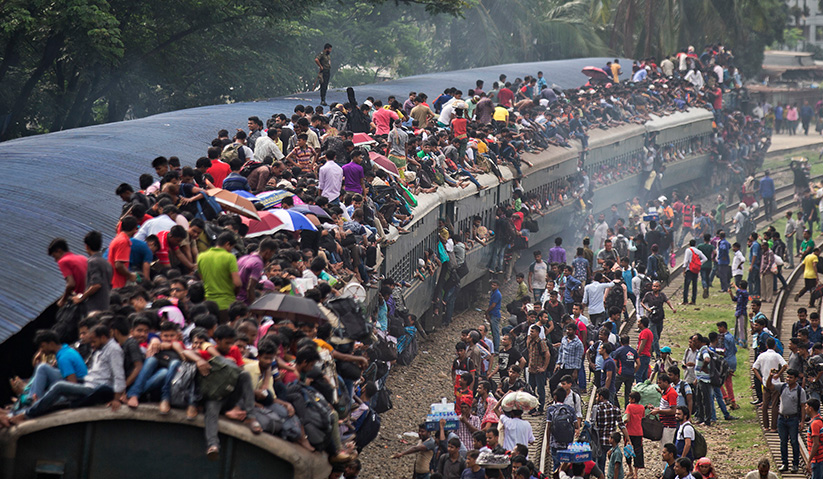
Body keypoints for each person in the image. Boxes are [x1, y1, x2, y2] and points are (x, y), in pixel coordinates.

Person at [766, 368, 806, 473]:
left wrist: (802, 421)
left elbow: (803, 407)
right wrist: (770, 376)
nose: (788, 379)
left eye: (791, 377)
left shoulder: (800, 391)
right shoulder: (783, 386)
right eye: (787, 377)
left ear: (796, 379)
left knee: (794, 442)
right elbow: (769, 386)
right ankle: (784, 463)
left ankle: (795, 464)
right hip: (782, 418)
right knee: (783, 442)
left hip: (793, 419)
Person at [197, 231, 242, 322]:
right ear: (227, 244)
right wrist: (234, 294)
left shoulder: (201, 256)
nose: (231, 250)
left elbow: (202, 278)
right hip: (226, 303)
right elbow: (237, 283)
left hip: (208, 303)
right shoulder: (229, 257)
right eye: (231, 248)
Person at [752, 337, 787, 432]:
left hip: (765, 383)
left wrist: (761, 378)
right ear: (775, 346)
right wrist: (778, 374)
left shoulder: (762, 356)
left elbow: (754, 368)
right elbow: (785, 365)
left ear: (766, 345)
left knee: (765, 404)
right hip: (775, 383)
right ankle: (773, 427)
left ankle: (766, 426)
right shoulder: (776, 355)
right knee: (775, 405)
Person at [74, 231, 112, 314]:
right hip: (105, 305)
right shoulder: (106, 262)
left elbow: (96, 284)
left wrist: (81, 297)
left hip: (95, 308)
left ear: (87, 246)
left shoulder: (92, 262)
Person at [591, 387, 628, 471]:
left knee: (601, 464)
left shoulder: (597, 408)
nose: (596, 398)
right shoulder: (615, 409)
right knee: (615, 463)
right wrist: (628, 439)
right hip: (612, 441)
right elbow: (622, 425)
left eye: (597, 397)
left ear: (601, 397)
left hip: (600, 441)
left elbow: (592, 425)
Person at [47, 237, 87, 308]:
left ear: (59, 251)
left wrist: (63, 300)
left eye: (54, 256)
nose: (55, 260)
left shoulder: (63, 261)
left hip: (82, 299)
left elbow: (71, 284)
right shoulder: (82, 257)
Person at [642, 280, 675, 358]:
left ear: (659, 287)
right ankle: (657, 354)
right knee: (655, 337)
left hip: (660, 317)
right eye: (654, 286)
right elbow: (642, 302)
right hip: (651, 318)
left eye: (656, 286)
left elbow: (667, 301)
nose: (655, 288)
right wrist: (647, 309)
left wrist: (672, 308)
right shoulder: (648, 295)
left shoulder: (662, 295)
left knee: (658, 335)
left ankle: (651, 351)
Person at [527, 324, 550, 414]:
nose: (531, 333)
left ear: (537, 332)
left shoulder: (541, 342)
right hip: (531, 370)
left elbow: (547, 355)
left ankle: (540, 409)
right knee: (530, 389)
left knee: (540, 390)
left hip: (538, 370)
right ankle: (532, 408)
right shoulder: (531, 342)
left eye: (532, 332)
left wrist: (544, 368)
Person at [624, 391, 645, 477]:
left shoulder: (629, 406)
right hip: (639, 432)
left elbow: (628, 419)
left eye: (630, 398)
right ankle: (636, 473)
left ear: (633, 399)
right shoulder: (642, 407)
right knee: (638, 451)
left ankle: (630, 470)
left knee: (628, 450)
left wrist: (622, 422)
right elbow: (642, 417)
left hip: (629, 432)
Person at [682, 240, 707, 305]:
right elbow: (705, 259)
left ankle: (685, 300)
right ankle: (693, 300)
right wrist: (698, 263)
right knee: (694, 286)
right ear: (695, 244)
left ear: (689, 244)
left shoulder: (688, 250)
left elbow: (686, 261)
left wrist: (684, 269)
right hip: (695, 270)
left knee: (686, 286)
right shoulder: (698, 251)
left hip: (689, 269)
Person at [806, 398, 823, 479]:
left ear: (810, 408)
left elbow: (816, 444)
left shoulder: (815, 424)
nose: (805, 408)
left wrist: (809, 461)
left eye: (806, 406)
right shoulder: (820, 420)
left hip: (817, 460)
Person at [486, 280, 503, 351]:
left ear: (498, 286)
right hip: (493, 314)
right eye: (492, 285)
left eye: (494, 285)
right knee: (493, 332)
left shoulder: (497, 294)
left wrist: (487, 312)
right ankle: (495, 347)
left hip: (495, 315)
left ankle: (496, 350)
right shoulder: (493, 292)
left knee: (495, 333)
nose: (492, 286)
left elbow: (493, 305)